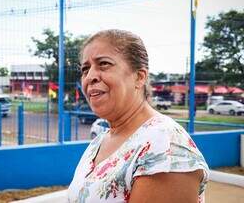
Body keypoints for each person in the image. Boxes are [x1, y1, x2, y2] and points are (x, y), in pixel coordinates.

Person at [67, 29, 209, 203]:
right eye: (85, 69)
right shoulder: (100, 141)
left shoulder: (165, 147)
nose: (90, 77)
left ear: (139, 77)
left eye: (104, 64)